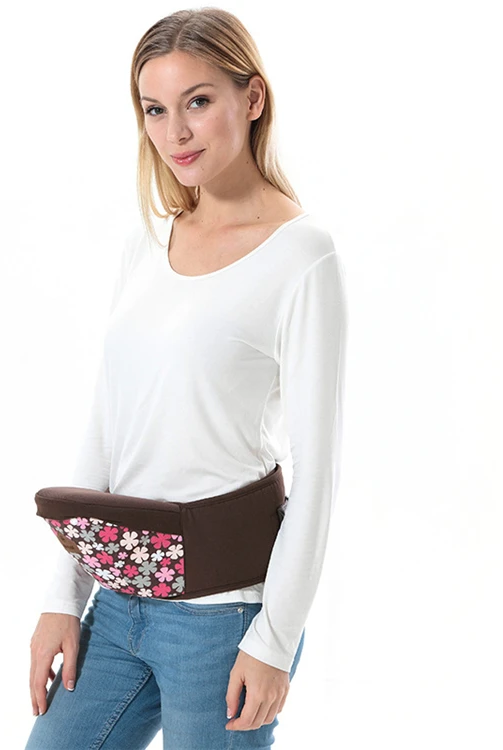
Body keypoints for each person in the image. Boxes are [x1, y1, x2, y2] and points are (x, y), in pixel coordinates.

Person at [25, 7, 348, 749]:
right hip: (117, 605)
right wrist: (62, 596)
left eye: (197, 101)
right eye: (155, 109)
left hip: (225, 617)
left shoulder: (302, 257)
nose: (175, 133)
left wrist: (275, 639)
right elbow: (107, 427)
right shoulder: (147, 243)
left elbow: (319, 473)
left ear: (252, 97)